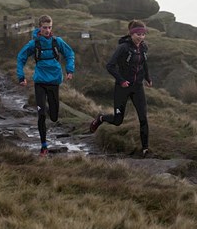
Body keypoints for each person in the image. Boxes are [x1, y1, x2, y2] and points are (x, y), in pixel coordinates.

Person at [90, 20, 152, 157]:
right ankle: (100, 119)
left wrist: (147, 78)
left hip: (137, 87)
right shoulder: (123, 48)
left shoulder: (144, 47)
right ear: (131, 34)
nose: (141, 37)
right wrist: (121, 80)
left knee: (143, 118)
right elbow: (110, 66)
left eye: (143, 34)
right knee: (118, 121)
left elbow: (144, 63)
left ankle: (145, 149)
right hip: (122, 87)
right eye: (138, 34)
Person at [17, 15, 75, 157]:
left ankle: (48, 109)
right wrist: (21, 76)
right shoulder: (34, 44)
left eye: (49, 27)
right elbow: (21, 58)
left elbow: (69, 54)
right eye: (44, 27)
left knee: (54, 116)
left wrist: (69, 70)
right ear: (39, 27)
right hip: (40, 82)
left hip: (54, 81)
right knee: (41, 114)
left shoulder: (57, 42)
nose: (47, 30)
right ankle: (44, 146)